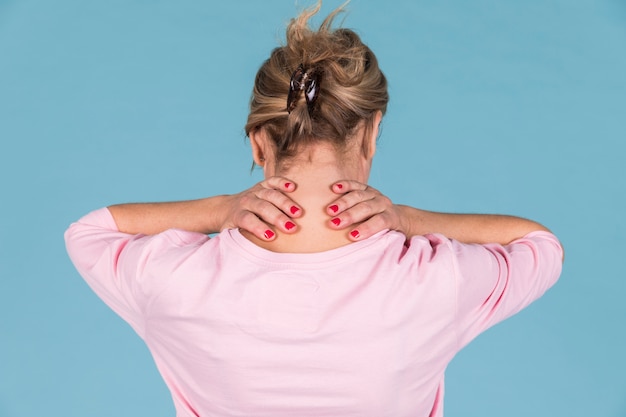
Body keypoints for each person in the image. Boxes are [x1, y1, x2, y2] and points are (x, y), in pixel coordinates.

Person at [65, 3, 563, 416]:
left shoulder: (172, 281)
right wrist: (408, 220)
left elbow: (89, 234)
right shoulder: (435, 280)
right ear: (369, 133)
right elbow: (539, 245)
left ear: (261, 143)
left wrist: (221, 210)